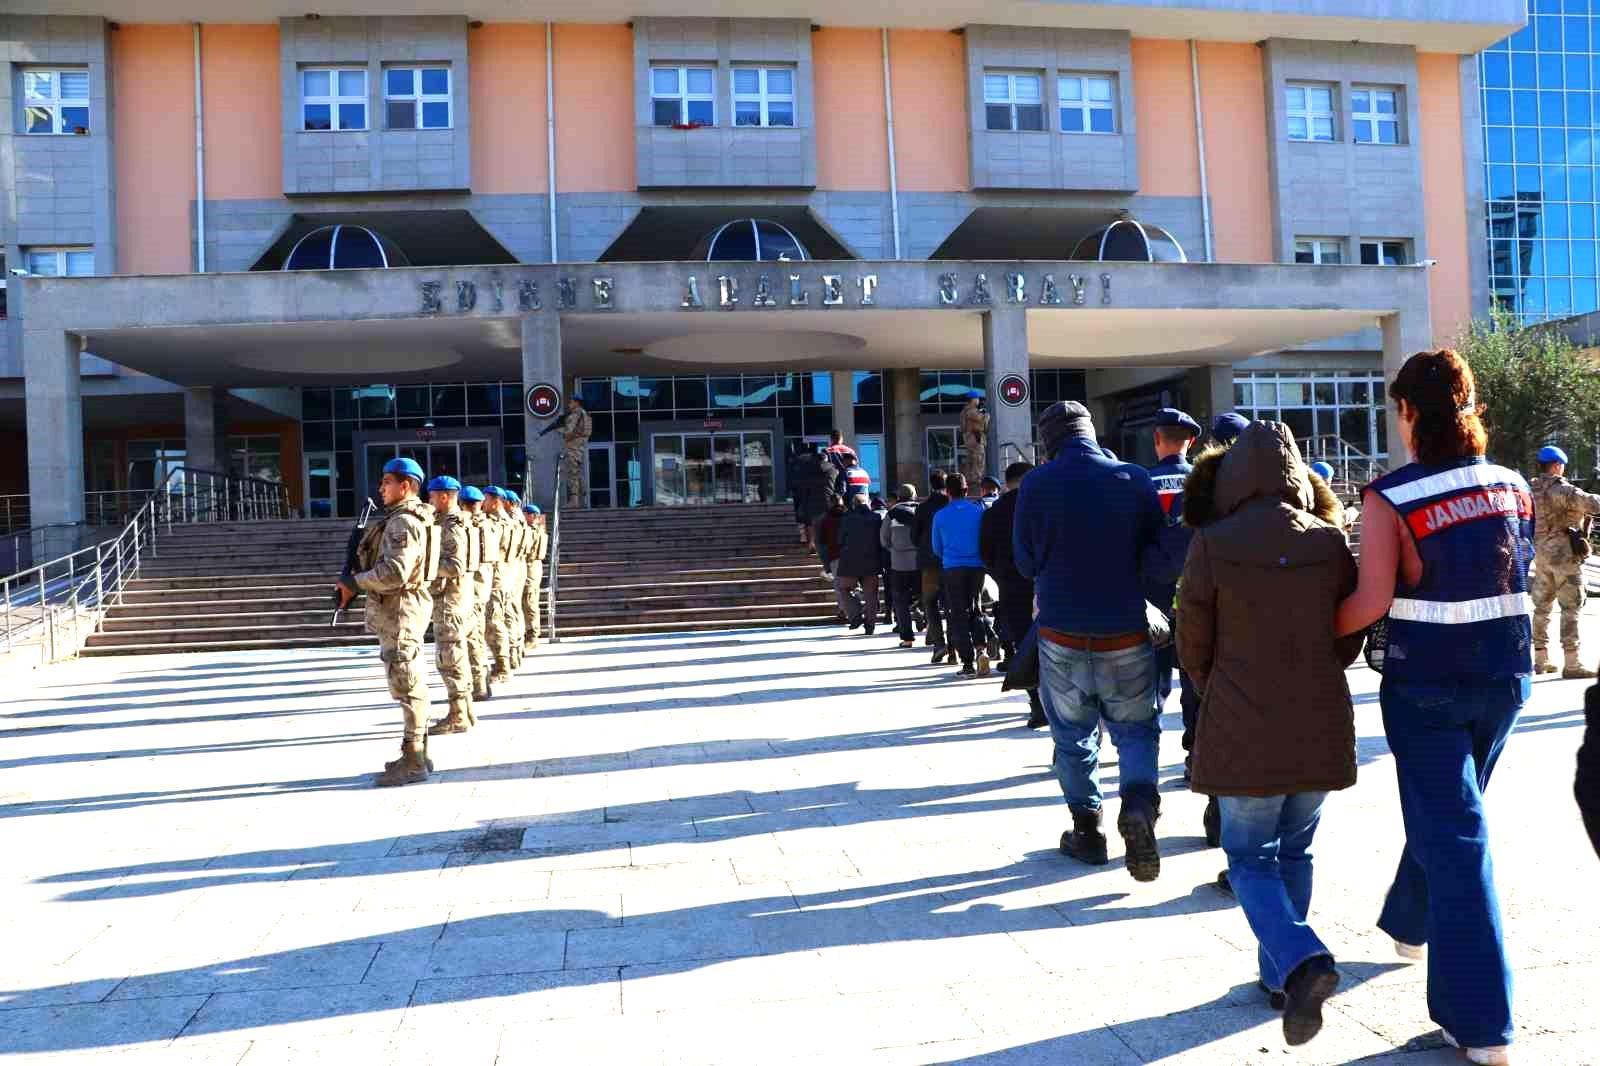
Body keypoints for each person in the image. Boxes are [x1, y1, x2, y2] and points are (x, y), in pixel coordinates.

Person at [1334, 349, 1530, 1066]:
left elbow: (1369, 601)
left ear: (1411, 413)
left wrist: (1297, 636)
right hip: (1507, 678)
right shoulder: (1513, 485)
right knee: (1454, 816)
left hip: (1427, 689)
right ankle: (1409, 925)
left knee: (1457, 837)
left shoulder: (1392, 496)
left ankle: (1480, 1023)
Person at [1178, 421, 1362, 1046]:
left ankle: (1302, 959)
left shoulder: (1211, 541)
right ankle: (1279, 976)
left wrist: (1217, 688)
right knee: (1295, 852)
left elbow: (1192, 642)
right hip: (1317, 720)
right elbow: (1348, 636)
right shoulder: (1330, 540)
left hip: (1242, 718)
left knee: (1250, 857)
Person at [1015, 400, 1165, 882]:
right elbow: (1156, 552)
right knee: (1137, 730)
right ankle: (1139, 806)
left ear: (1048, 439)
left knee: (1073, 735)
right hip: (1124, 627)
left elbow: (1023, 562)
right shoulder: (1134, 478)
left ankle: (1087, 829)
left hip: (1061, 630)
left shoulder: (1036, 484)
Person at [335, 457, 436, 787]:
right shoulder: (403, 519)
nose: (381, 488)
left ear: (405, 485)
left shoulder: (402, 523)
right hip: (400, 610)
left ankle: (414, 761)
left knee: (407, 686)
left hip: (400, 612)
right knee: (410, 684)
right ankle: (416, 753)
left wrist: (356, 582)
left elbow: (395, 572)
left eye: (386, 481)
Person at [1142, 408, 1202, 775]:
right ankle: (1196, 752)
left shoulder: (1139, 481)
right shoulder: (1204, 482)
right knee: (1195, 676)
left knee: (1150, 676)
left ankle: (1142, 752)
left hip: (1150, 595)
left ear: (1156, 440)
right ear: (1191, 442)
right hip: (1196, 591)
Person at [981, 460, 1045, 727]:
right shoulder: (1042, 505)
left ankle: (1037, 703)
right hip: (1045, 585)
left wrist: (1002, 576)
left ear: (1006, 483)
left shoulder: (994, 512)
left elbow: (985, 553)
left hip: (1011, 585)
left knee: (1024, 644)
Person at [1529, 444, 1600, 677]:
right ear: (1558, 465)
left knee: (1542, 607)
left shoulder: (1533, 489)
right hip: (1564, 557)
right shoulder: (1564, 490)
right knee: (1571, 607)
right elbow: (1594, 505)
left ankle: (1541, 659)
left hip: (1541, 555)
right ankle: (1572, 664)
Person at [425, 476, 477, 737]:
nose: (429, 500)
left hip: (450, 600)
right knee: (457, 655)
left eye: (432, 496)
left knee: (449, 659)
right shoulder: (460, 520)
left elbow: (455, 565)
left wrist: (424, 567)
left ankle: (458, 716)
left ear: (444, 497)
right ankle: (465, 710)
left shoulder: (451, 524)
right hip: (457, 598)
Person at [932, 472, 989, 677]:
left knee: (958, 613)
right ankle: (982, 649)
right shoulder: (979, 511)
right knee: (976, 608)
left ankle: (967, 662)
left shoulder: (940, 515)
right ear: (966, 491)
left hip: (953, 567)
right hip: (977, 566)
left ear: (948, 492)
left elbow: (936, 547)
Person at [458, 486, 495, 700]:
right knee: (477, 637)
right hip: (483, 587)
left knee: (472, 639)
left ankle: (479, 684)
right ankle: (483, 679)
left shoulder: (468, 525)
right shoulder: (489, 525)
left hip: (472, 588)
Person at [914, 471, 952, 663]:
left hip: (929, 562)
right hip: (951, 560)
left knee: (930, 603)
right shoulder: (950, 505)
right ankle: (955, 643)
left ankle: (939, 642)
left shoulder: (923, 508)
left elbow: (915, 536)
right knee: (952, 603)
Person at [835, 485, 883, 634]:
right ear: (867, 503)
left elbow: (840, 539)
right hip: (872, 561)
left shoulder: (846, 519)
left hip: (850, 562)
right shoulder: (876, 518)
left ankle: (855, 615)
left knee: (844, 588)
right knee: (871, 594)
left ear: (854, 505)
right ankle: (870, 625)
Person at [481, 486, 515, 685]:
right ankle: (502, 663)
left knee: (494, 623)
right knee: (495, 622)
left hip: (496, 579)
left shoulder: (498, 523)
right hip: (500, 576)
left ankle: (503, 667)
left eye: (485, 500)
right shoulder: (504, 520)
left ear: (495, 501)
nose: (482, 504)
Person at [882, 484, 922, 649]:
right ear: (914, 495)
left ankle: (907, 638)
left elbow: (884, 538)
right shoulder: (921, 511)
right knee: (925, 596)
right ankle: (929, 627)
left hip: (899, 563)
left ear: (899, 496)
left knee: (900, 600)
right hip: (920, 561)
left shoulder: (891, 514)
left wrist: (894, 549)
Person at [502, 490, 527, 671]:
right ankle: (518, 645)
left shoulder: (511, 520)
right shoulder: (518, 519)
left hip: (512, 567)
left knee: (510, 608)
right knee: (515, 607)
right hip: (516, 565)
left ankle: (514, 647)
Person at [789, 442, 831, 547]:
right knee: (811, 516)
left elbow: (792, 474)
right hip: (810, 491)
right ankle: (812, 540)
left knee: (801, 513)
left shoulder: (797, 460)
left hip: (799, 489)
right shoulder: (813, 461)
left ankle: (803, 536)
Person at [561, 396, 592, 509]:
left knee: (572, 474)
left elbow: (568, 433)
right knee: (578, 474)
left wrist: (559, 429)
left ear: (576, 403)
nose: (569, 404)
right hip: (579, 448)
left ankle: (574, 501)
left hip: (573, 449)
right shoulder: (586, 415)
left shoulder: (575, 415)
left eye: (571, 402)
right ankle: (582, 500)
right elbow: (586, 433)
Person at [522, 503, 546, 650]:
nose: (523, 517)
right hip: (530, 567)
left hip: (531, 568)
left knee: (529, 602)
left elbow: (526, 548)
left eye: (525, 514)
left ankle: (532, 635)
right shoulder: (533, 529)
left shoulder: (534, 530)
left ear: (533, 516)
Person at [961, 392, 991, 487]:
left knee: (972, 460)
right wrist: (986, 415)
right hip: (975, 438)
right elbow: (982, 420)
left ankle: (971, 479)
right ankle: (977, 480)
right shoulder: (971, 411)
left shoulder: (965, 411)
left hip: (971, 438)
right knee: (978, 460)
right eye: (977, 398)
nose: (978, 400)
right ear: (973, 400)